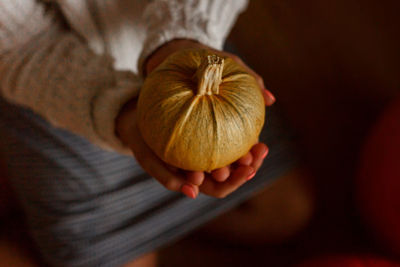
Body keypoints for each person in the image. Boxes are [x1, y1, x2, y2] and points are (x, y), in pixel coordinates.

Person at [0, 0, 311, 266]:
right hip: (57, 88)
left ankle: (141, 233)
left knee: (288, 212)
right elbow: (20, 47)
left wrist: (184, 38)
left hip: (186, 41)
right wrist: (121, 111)